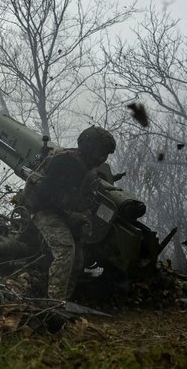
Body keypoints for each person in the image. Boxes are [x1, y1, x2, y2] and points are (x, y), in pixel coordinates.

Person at [21, 126, 117, 302]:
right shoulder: (65, 162)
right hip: (44, 210)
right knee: (65, 250)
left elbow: (84, 199)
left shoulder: (88, 171)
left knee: (78, 259)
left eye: (106, 154)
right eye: (100, 152)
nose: (102, 158)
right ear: (88, 147)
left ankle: (63, 301)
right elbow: (46, 194)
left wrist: (83, 217)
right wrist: (72, 215)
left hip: (65, 215)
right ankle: (54, 304)